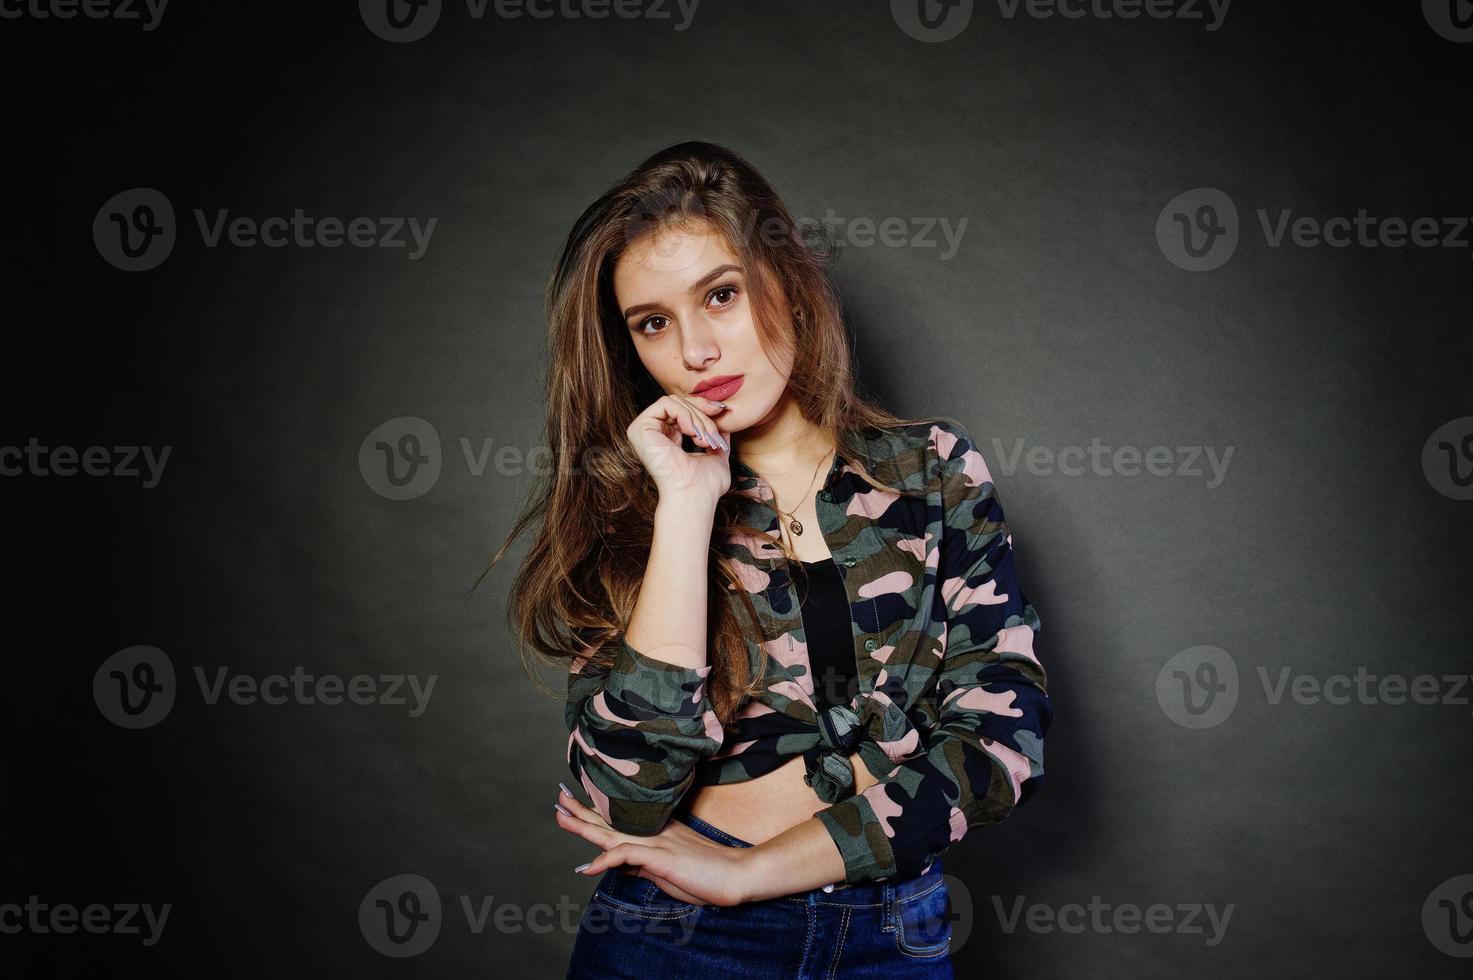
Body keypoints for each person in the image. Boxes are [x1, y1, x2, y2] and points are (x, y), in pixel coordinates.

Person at [491, 140, 1053, 978]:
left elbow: (1003, 744)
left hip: (892, 932)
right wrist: (685, 507)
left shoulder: (932, 471)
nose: (695, 351)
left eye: (720, 295)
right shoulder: (630, 504)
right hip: (674, 939)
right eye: (653, 323)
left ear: (786, 280)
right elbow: (624, 796)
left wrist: (755, 871)